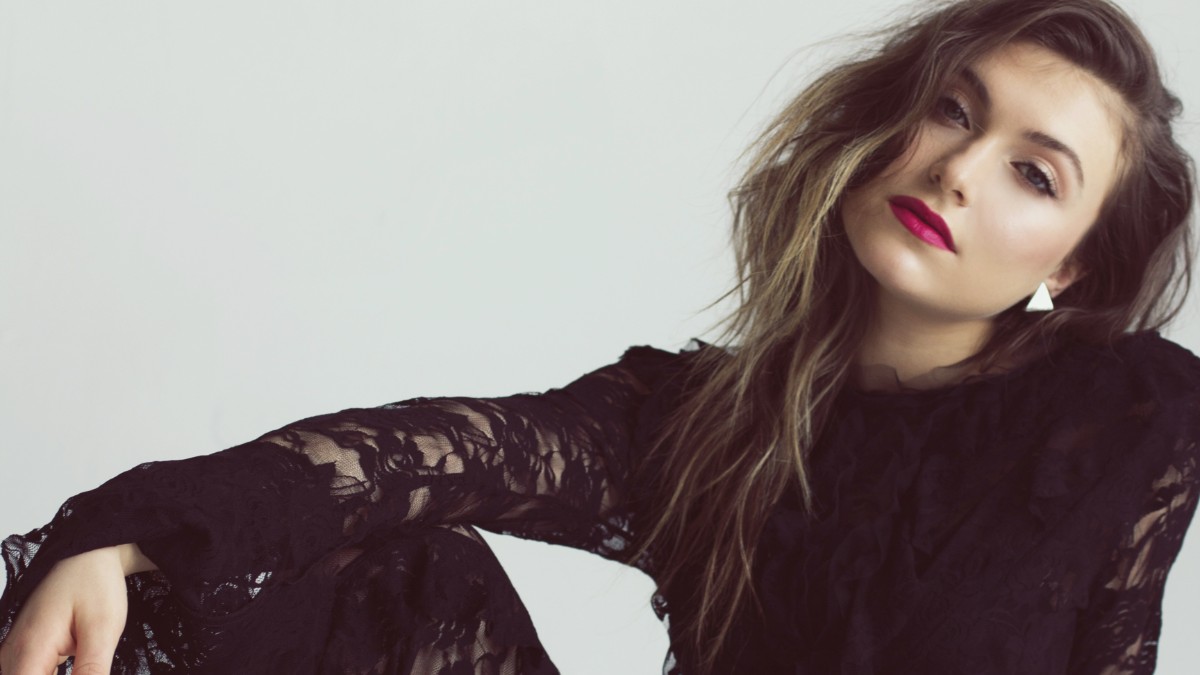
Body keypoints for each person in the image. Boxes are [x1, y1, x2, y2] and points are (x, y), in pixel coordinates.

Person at [3, 0, 1199, 672]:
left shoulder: (1132, 418)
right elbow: (427, 454)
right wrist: (126, 534)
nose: (957, 169)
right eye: (951, 110)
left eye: (1035, 173)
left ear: (1073, 262)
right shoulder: (707, 424)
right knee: (388, 570)